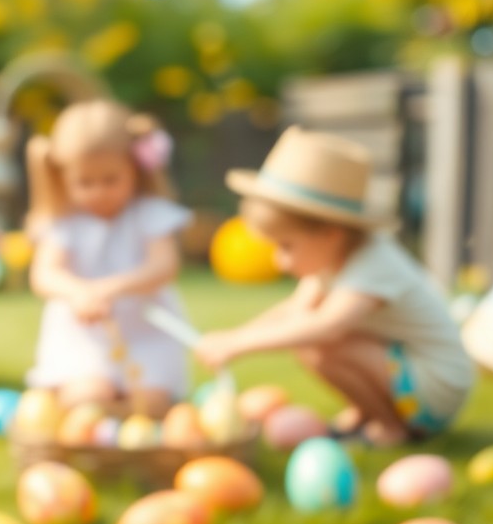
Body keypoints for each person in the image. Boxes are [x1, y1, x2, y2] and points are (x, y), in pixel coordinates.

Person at [196, 127, 473, 446]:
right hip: (408, 372)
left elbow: (326, 326)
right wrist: (235, 336)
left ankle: (390, 428)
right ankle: (368, 413)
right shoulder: (331, 259)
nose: (279, 262)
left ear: (331, 234)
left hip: (437, 385)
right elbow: (295, 312)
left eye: (287, 246)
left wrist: (238, 344)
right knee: (314, 343)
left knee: (323, 344)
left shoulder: (374, 263)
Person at [25, 100, 193, 417]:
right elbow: (44, 274)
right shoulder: (64, 223)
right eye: (85, 183)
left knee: (151, 406)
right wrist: (78, 292)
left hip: (145, 333)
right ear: (63, 177)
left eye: (111, 180)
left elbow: (164, 266)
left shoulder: (149, 214)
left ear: (134, 168)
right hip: (85, 338)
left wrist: (107, 289)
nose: (99, 192)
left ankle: (131, 426)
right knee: (88, 400)